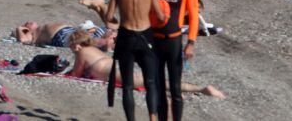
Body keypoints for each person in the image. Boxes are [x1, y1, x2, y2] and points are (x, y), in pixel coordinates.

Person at [68, 31, 225, 100]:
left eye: (71, 47)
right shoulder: (94, 50)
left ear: (76, 45)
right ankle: (196, 89)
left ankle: (197, 91)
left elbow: (76, 74)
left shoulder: (81, 53)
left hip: (120, 74)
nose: (72, 50)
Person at [104, 0, 165, 121]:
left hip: (126, 35)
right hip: (145, 35)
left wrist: (117, 20)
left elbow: (109, 16)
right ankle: (153, 117)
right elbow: (160, 16)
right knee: (151, 82)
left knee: (127, 85)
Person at [150, 0, 200, 121]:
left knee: (175, 89)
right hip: (154, 41)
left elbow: (193, 17)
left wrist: (191, 43)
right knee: (158, 88)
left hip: (174, 42)